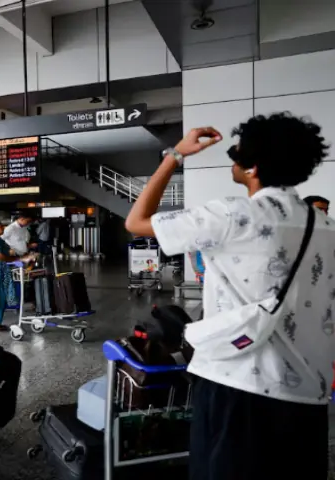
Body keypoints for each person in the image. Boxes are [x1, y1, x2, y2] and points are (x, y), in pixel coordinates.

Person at [123, 114, 334, 480]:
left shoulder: (234, 214)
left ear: (253, 167)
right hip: (308, 399)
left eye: (237, 153)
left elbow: (137, 221)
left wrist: (175, 155)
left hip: (237, 389)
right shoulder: (327, 227)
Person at [0, 218, 33, 331]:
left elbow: (8, 251)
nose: (3, 228)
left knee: (1, 298)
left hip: (0, 272)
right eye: (1, 227)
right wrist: (18, 258)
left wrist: (21, 256)